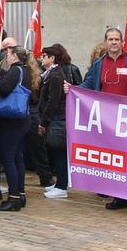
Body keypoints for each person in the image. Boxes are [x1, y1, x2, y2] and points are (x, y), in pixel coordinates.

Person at [82, 27, 127, 217]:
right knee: (116, 159)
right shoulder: (99, 63)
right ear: (105, 42)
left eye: (117, 39)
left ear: (122, 42)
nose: (114, 42)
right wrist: (72, 88)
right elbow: (88, 85)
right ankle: (120, 196)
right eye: (110, 39)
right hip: (108, 120)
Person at [0, 39, 37, 212]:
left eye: (8, 54)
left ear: (15, 56)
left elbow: (4, 89)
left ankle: (13, 197)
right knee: (17, 158)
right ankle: (20, 194)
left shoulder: (15, 70)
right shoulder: (26, 71)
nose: (6, 57)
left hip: (12, 121)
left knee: (9, 158)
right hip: (22, 120)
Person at [37, 44, 76, 200]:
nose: (41, 58)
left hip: (57, 119)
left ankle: (62, 186)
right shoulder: (51, 74)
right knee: (56, 152)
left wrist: (44, 121)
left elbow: (53, 101)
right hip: (55, 118)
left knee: (59, 152)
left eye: (44, 56)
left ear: (52, 58)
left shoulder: (55, 75)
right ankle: (60, 182)